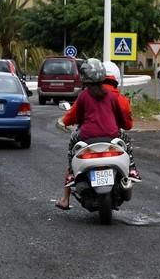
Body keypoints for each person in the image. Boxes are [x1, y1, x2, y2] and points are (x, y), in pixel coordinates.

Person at [55, 58, 132, 210]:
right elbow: (124, 123)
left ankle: (65, 198)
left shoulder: (83, 96)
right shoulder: (113, 96)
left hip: (87, 137)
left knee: (71, 155)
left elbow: (78, 118)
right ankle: (132, 172)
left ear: (84, 77)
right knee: (127, 144)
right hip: (111, 136)